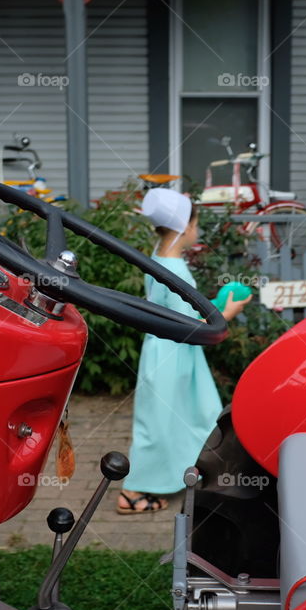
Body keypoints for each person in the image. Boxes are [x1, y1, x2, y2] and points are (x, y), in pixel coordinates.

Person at [117, 188, 251, 514]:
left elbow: (181, 314)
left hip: (166, 350)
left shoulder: (159, 257)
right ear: (183, 227)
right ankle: (132, 492)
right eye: (195, 222)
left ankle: (195, 472)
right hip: (173, 356)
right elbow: (191, 327)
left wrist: (209, 309)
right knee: (162, 423)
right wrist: (227, 314)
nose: (197, 229)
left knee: (193, 415)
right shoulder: (175, 271)